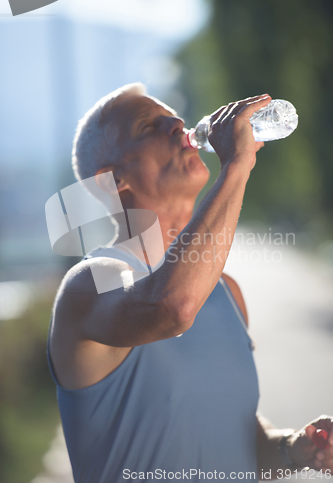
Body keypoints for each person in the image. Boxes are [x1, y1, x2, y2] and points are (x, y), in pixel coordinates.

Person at [48, 83, 333, 482]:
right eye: (148, 127)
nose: (176, 124)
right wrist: (236, 165)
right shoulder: (91, 283)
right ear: (111, 181)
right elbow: (172, 307)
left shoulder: (226, 293)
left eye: (173, 116)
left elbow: (242, 445)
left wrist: (292, 447)